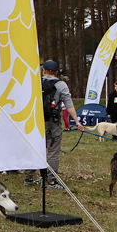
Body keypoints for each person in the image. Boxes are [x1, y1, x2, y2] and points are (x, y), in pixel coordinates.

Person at [26, 60, 84, 189]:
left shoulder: (35, 82)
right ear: (57, 72)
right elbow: (69, 104)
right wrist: (77, 121)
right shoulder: (61, 85)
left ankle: (28, 178)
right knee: (53, 151)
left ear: (44, 71)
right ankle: (51, 181)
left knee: (34, 149)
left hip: (36, 122)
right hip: (53, 122)